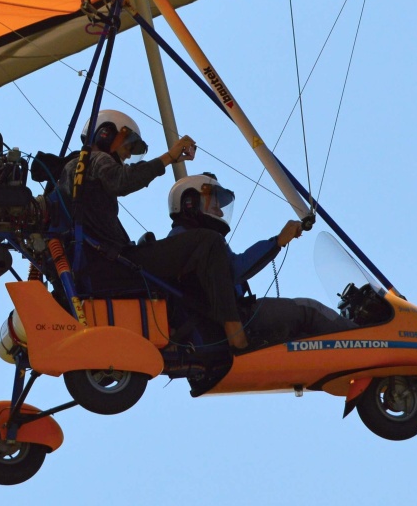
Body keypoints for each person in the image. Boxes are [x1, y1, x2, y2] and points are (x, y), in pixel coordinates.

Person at [58, 110, 249, 349]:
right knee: (208, 242)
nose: (128, 154)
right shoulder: (92, 159)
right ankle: (235, 333)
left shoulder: (72, 174)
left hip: (103, 263)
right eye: (128, 144)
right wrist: (168, 157)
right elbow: (122, 181)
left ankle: (182, 334)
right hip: (114, 264)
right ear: (105, 134)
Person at [167, 173, 358, 346]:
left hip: (214, 322)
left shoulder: (182, 241)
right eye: (214, 205)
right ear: (190, 203)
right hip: (234, 321)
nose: (220, 212)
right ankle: (364, 339)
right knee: (308, 311)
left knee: (303, 338)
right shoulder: (193, 240)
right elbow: (234, 270)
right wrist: (277, 242)